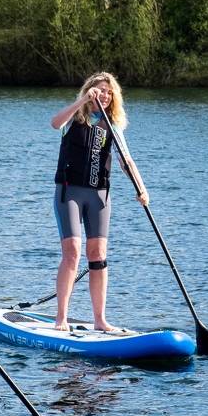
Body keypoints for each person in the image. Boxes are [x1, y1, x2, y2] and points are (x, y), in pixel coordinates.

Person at [48, 72, 148, 334]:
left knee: (98, 255)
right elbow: (55, 123)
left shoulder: (112, 126)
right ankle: (61, 318)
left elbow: (127, 160)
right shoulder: (75, 118)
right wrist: (81, 102)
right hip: (69, 193)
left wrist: (141, 188)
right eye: (99, 90)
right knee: (72, 253)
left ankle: (100, 320)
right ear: (90, 91)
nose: (104, 94)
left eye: (108, 92)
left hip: (99, 196)